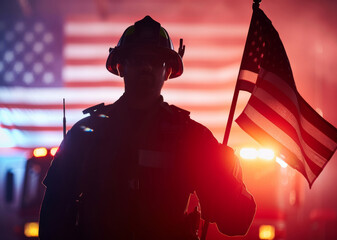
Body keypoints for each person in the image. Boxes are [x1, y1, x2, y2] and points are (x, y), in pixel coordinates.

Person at [39, 16, 256, 240]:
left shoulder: (193, 138)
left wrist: (228, 172)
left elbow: (236, 222)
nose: (145, 67)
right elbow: (52, 222)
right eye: (137, 60)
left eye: (155, 61)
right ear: (121, 67)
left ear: (169, 71)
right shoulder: (86, 134)